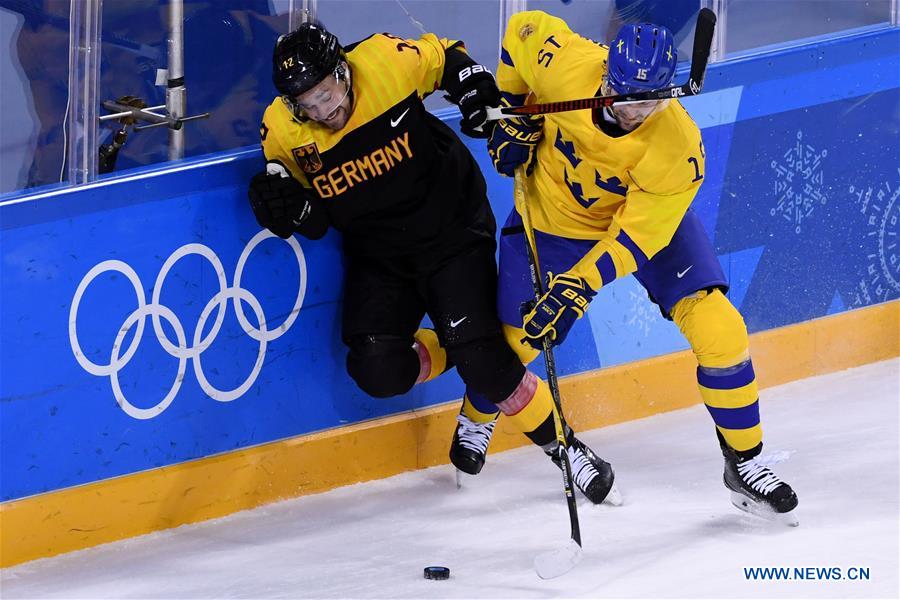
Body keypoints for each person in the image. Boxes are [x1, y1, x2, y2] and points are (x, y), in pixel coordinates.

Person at [247, 22, 619, 505]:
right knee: (378, 372)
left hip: (451, 229)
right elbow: (315, 220)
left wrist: (474, 90)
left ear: (342, 69)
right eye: (308, 105)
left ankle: (568, 450)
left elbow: (446, 58)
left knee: (486, 363)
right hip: (379, 254)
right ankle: (455, 346)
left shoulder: (383, 60)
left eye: (327, 93)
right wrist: (288, 209)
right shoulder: (281, 129)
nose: (324, 111)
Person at [482, 11, 798, 521]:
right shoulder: (568, 66)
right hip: (556, 218)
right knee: (513, 343)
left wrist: (578, 287)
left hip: (641, 224)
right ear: (607, 73)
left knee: (722, 328)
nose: (634, 113)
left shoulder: (678, 148)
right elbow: (521, 32)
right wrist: (516, 110)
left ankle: (746, 462)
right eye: (626, 96)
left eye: (649, 101)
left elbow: (634, 238)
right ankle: (478, 418)